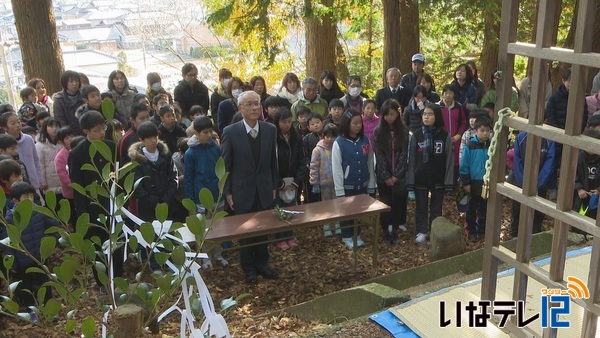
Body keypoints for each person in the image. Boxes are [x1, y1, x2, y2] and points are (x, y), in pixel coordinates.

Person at [221, 91, 279, 284]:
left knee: (263, 228)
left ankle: (263, 264)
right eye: (249, 104)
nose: (254, 108)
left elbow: (273, 161)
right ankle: (248, 268)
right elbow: (225, 165)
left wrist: (273, 185)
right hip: (241, 189)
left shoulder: (270, 129)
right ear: (240, 108)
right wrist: (227, 191)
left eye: (257, 104)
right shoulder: (231, 132)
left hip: (264, 188)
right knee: (245, 231)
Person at [69, 111, 122, 290]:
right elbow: (77, 186)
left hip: (113, 203)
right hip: (93, 206)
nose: (102, 133)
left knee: (116, 243)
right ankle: (102, 282)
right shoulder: (77, 154)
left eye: (104, 128)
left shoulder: (111, 147)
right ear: (86, 131)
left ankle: (119, 277)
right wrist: (84, 214)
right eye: (97, 130)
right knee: (98, 246)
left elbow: (120, 175)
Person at [1, 181, 58, 320]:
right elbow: (9, 243)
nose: (30, 199)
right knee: (26, 288)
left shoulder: (40, 211)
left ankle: (50, 310)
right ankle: (32, 311)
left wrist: (54, 242)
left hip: (40, 257)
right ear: (15, 200)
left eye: (31, 196)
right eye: (26, 197)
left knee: (45, 284)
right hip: (23, 261)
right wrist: (12, 263)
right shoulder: (11, 217)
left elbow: (54, 227)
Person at [407, 104, 453, 244]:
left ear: (437, 116)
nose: (427, 117)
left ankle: (435, 231)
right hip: (421, 177)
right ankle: (421, 231)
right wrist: (411, 180)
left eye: (430, 114)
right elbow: (412, 160)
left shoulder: (445, 136)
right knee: (421, 206)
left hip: (438, 177)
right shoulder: (417, 135)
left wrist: (448, 182)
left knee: (436, 207)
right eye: (424, 114)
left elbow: (449, 159)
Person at [332, 109, 376, 249]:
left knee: (359, 212)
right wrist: (340, 190)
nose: (358, 126)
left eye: (360, 123)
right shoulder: (339, 143)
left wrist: (371, 184)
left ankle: (357, 234)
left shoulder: (365, 140)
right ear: (347, 124)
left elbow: (370, 162)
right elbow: (337, 168)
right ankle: (347, 236)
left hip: (362, 184)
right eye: (355, 123)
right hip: (347, 185)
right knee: (347, 212)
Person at [374, 99, 409, 244]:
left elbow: (403, 155)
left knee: (398, 203)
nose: (389, 117)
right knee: (385, 203)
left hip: (399, 177)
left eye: (392, 114)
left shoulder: (404, 131)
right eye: (386, 115)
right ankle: (385, 231)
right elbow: (379, 155)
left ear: (397, 114)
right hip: (384, 176)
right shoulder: (379, 131)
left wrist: (396, 175)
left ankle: (394, 230)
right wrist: (386, 176)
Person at [128, 121, 178, 222]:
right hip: (147, 208)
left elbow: (174, 177)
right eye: (149, 138)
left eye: (155, 137)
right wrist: (154, 203)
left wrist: (165, 201)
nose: (154, 140)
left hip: (168, 204)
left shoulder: (165, 154)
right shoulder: (137, 159)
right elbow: (137, 186)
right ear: (141, 140)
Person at [509, 131, 555, 237]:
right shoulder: (521, 137)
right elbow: (517, 160)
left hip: (540, 183)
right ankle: (514, 233)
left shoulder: (548, 139)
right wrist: (523, 181)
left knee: (538, 211)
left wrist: (538, 183)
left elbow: (549, 163)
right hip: (521, 181)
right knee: (517, 208)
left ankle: (535, 234)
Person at [272, 107, 306, 249]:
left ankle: (290, 236)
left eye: (288, 122)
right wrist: (277, 182)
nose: (286, 125)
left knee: (290, 209)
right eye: (283, 122)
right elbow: (270, 162)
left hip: (292, 180)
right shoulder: (272, 137)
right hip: (278, 181)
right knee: (278, 210)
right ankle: (280, 238)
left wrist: (297, 180)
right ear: (277, 122)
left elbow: (301, 159)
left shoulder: (296, 137)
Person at [459, 116, 492, 240]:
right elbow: (464, 165)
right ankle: (471, 230)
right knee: (471, 208)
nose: (485, 133)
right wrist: (466, 182)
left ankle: (482, 230)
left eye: (487, 131)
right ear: (476, 131)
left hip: (485, 183)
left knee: (484, 208)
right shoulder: (469, 146)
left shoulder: (491, 146)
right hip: (472, 182)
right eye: (482, 130)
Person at [310, 123, 340, 236]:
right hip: (324, 183)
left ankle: (337, 224)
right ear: (323, 136)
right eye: (327, 136)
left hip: (337, 183)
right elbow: (313, 166)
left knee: (337, 203)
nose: (330, 139)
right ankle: (327, 225)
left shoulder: (337, 148)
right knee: (326, 204)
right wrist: (314, 182)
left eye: (333, 136)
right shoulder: (318, 150)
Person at [0, 112, 42, 191]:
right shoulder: (3, 143)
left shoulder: (28, 139)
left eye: (18, 122)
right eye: (13, 123)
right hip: (15, 189)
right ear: (5, 127)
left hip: (34, 184)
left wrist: (39, 179)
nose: (17, 125)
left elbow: (36, 161)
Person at [184, 116, 220, 207]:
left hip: (217, 197)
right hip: (200, 200)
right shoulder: (190, 153)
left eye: (210, 131)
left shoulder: (216, 148)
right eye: (205, 132)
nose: (209, 135)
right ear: (196, 133)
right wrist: (191, 203)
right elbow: (188, 179)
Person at [439, 84, 467, 180]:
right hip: (441, 140)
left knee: (455, 162)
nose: (448, 95)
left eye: (450, 93)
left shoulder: (458, 107)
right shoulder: (438, 107)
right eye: (446, 93)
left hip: (456, 139)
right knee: (442, 161)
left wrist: (458, 136)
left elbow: (463, 123)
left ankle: (453, 184)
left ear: (454, 94)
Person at [573, 128, 600, 222]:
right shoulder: (580, 156)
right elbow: (573, 174)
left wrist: (598, 190)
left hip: (596, 197)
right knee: (578, 221)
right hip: (581, 196)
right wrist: (579, 188)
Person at [54, 127, 77, 226]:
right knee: (74, 216)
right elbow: (62, 174)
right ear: (61, 142)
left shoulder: (78, 151)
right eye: (67, 138)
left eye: (72, 136)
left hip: (83, 192)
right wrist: (74, 185)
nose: (71, 139)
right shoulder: (60, 157)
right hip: (70, 193)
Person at [35, 117, 62, 197]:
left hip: (62, 179)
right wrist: (42, 181)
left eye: (56, 126)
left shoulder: (62, 142)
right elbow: (40, 164)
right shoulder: (40, 145)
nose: (54, 129)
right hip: (49, 182)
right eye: (51, 126)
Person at [53, 70, 85, 136]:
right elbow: (60, 120)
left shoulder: (84, 96)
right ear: (64, 83)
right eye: (71, 81)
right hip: (69, 136)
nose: (75, 83)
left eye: (77, 81)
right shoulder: (59, 99)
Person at [303, 113, 325, 203]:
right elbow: (305, 156)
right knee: (314, 198)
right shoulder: (307, 139)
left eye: (317, 122)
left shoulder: (328, 135)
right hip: (313, 171)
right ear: (308, 127)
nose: (316, 125)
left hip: (327, 171)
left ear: (322, 123)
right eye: (312, 124)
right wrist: (310, 166)